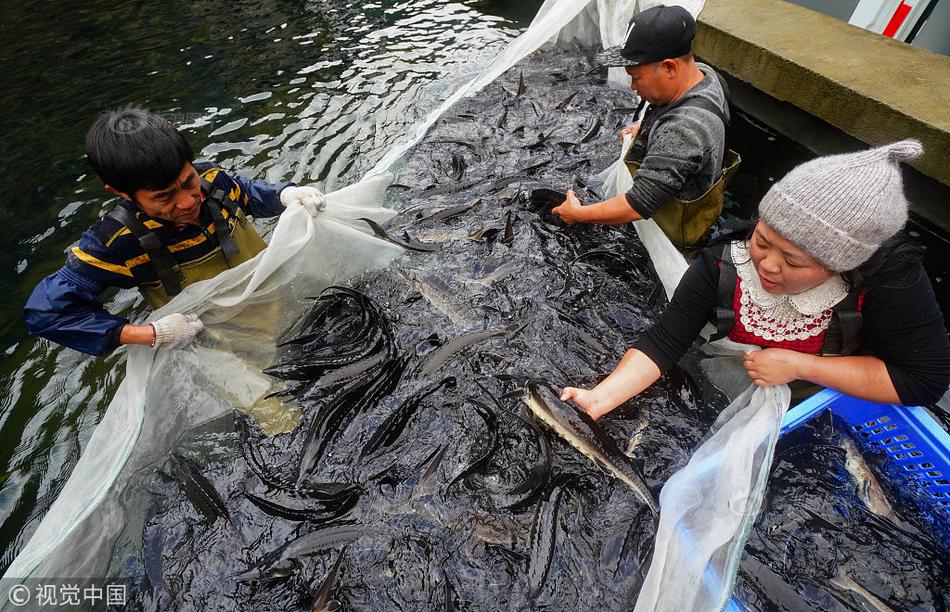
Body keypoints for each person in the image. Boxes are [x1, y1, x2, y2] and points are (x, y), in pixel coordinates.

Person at [560, 140, 950, 418]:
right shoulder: (722, 264)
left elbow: (923, 381)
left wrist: (802, 366)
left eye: (794, 262)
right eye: (763, 240)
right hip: (746, 367)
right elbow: (664, 341)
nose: (767, 265)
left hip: (826, 386)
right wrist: (601, 398)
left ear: (840, 266)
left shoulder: (891, 281)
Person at [24, 107, 327, 356]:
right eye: (163, 197)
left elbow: (246, 192)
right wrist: (149, 333)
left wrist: (286, 195)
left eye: (187, 181)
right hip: (217, 346)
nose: (187, 202)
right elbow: (46, 312)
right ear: (121, 192)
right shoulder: (116, 243)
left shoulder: (212, 181)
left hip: (279, 303)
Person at [552, 4, 739, 247]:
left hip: (674, 233)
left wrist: (578, 214)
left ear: (670, 67)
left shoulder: (682, 130)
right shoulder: (705, 76)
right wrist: (648, 128)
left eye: (636, 77)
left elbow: (638, 204)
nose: (632, 87)